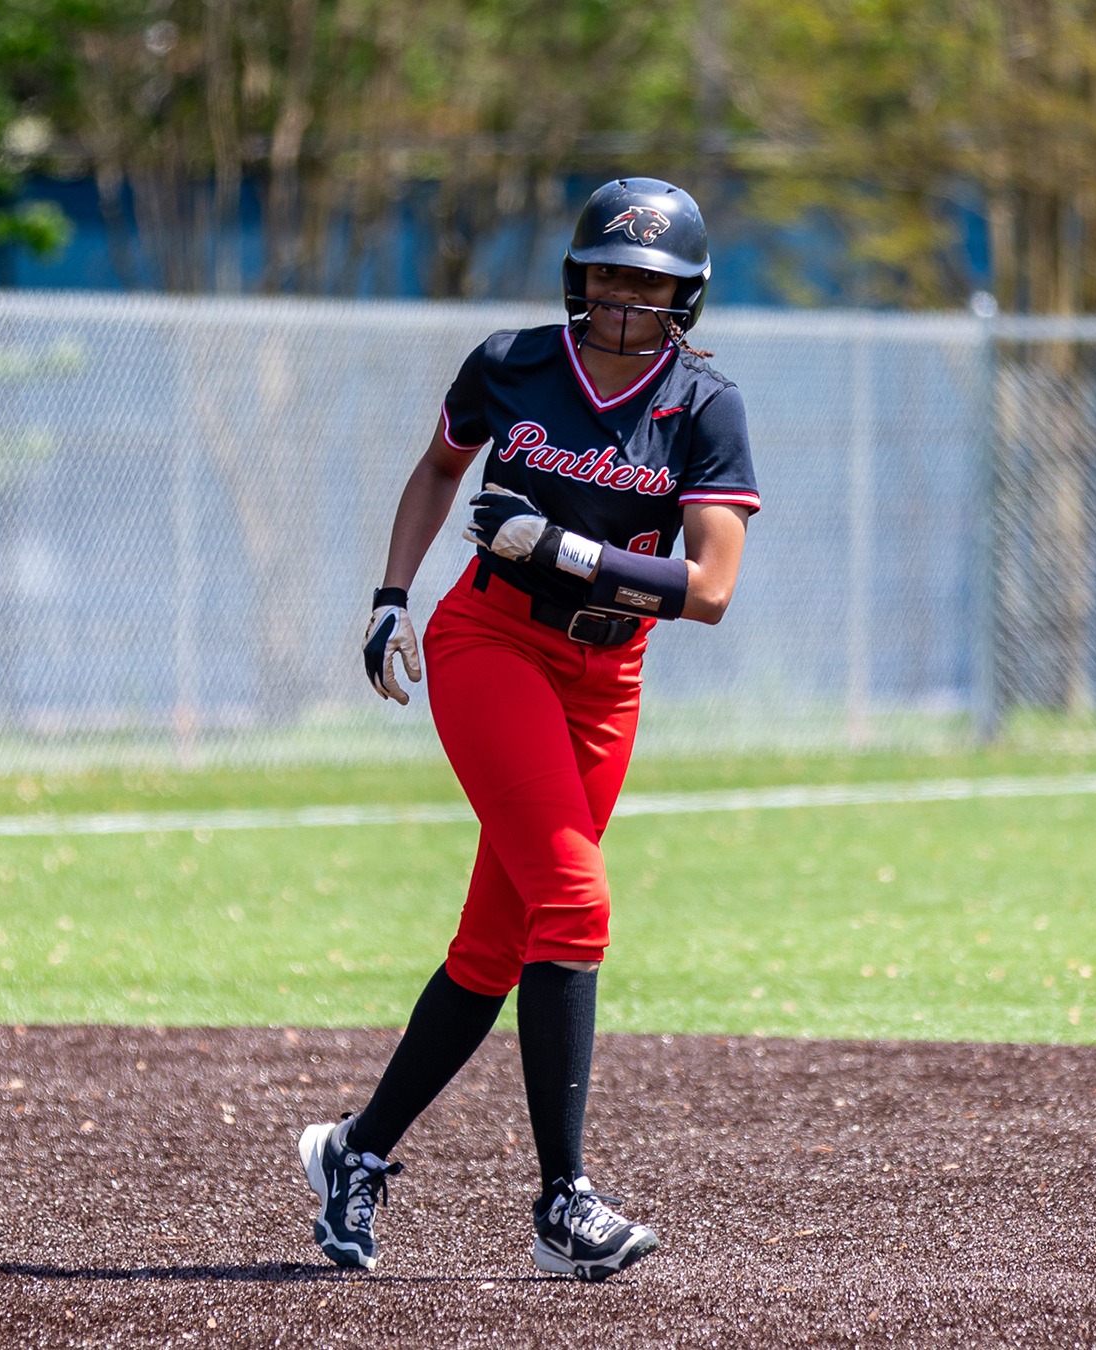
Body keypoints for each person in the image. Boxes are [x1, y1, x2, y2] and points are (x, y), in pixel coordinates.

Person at [297, 177, 760, 1282]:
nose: (623, 293)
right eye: (607, 269)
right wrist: (391, 597)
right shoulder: (511, 361)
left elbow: (709, 589)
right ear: (576, 273)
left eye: (649, 280)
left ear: (685, 296)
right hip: (490, 645)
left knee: (499, 944)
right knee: (575, 899)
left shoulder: (703, 405)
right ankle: (564, 1203)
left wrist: (566, 551)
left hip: (606, 676)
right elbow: (439, 469)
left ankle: (355, 1154)